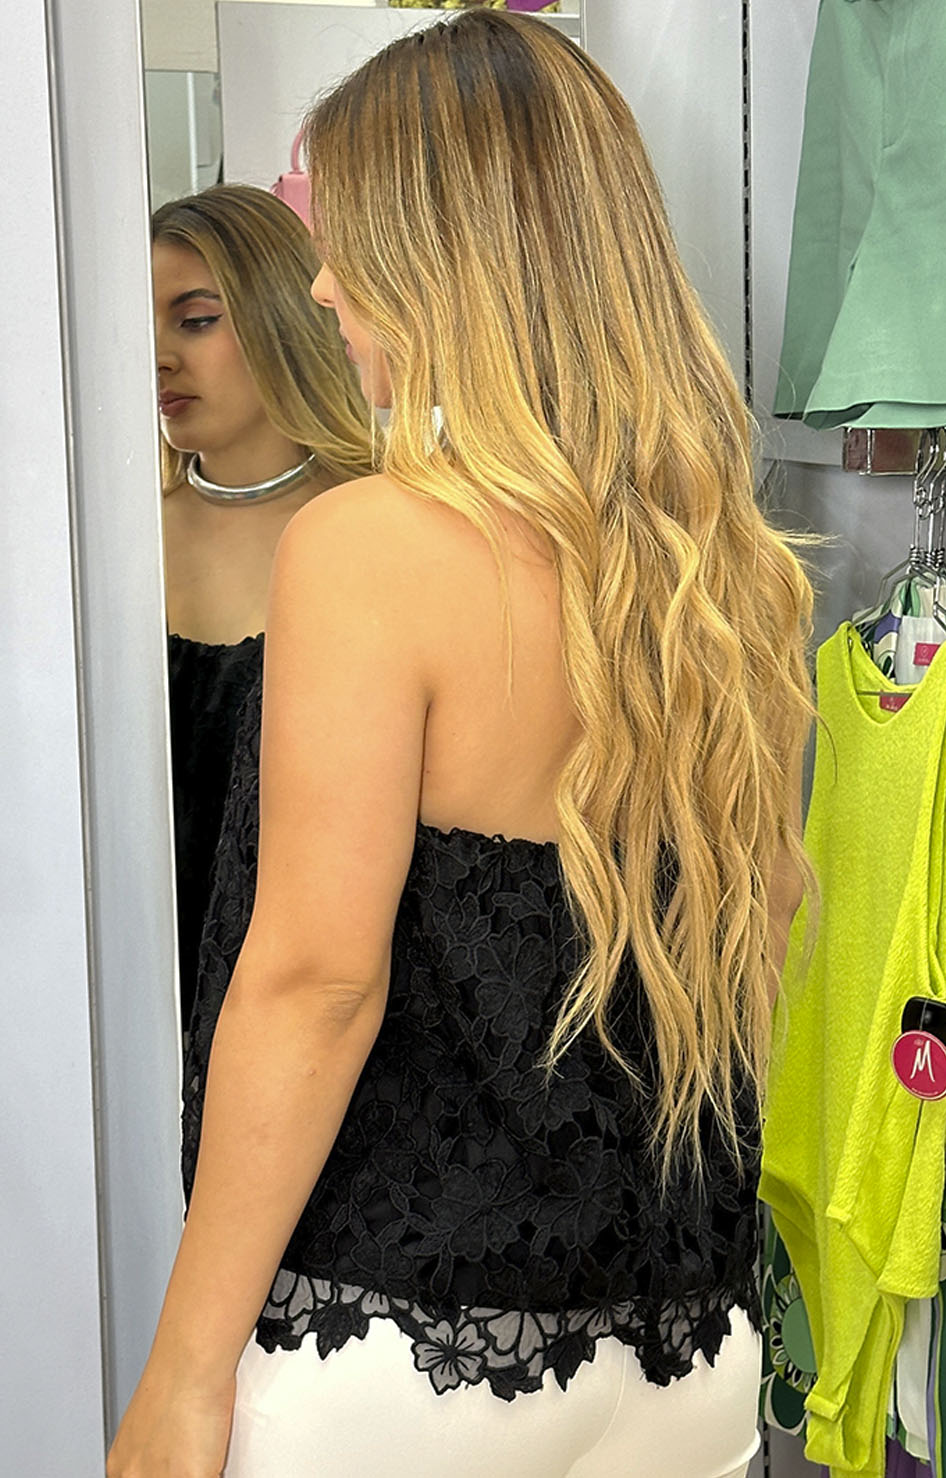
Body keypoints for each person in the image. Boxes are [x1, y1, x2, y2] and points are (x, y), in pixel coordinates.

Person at [110, 12, 812, 1476]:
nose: (322, 284)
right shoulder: (723, 568)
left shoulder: (370, 543)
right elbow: (753, 946)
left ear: (448, 255)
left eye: (350, 240)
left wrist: (181, 1368)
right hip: (687, 1346)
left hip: (405, 1357)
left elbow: (316, 983)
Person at [153, 185, 372, 1032]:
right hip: (136, 991)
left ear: (282, 316)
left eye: (195, 320)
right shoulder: (109, 547)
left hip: (321, 1007)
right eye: (144, 325)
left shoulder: (380, 530)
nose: (160, 355)